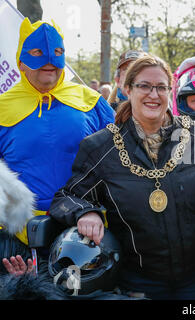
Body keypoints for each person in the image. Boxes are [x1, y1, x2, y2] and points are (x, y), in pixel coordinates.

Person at [48, 54, 195, 300]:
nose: (154, 94)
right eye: (144, 86)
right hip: (139, 279)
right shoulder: (100, 147)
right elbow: (66, 197)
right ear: (127, 89)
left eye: (161, 87)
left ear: (170, 92)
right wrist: (85, 212)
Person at [0, 18, 115, 273]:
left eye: (58, 53)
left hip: (85, 231)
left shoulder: (92, 102)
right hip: (16, 239)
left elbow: (119, 163)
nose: (49, 61)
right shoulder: (1, 107)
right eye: (38, 53)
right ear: (21, 61)